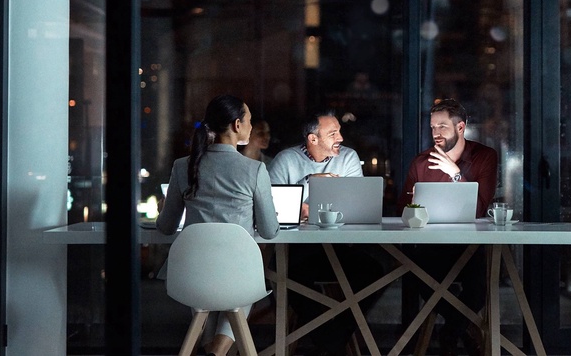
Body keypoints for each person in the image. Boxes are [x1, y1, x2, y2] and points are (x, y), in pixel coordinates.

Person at [158, 94, 278, 356]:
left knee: (206, 298)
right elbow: (270, 231)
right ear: (237, 124)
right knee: (237, 296)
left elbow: (166, 227)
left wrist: (164, 207)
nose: (250, 125)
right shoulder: (254, 170)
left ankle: (213, 350)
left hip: (190, 275)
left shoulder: (183, 166)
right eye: (249, 120)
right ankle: (218, 352)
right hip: (239, 276)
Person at [267, 109, 385, 356]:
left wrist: (309, 207)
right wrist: (310, 181)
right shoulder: (285, 161)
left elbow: (356, 205)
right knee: (285, 276)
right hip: (296, 249)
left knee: (376, 273)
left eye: (339, 131)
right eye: (333, 133)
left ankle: (330, 341)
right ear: (313, 139)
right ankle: (330, 343)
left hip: (340, 245)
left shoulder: (348, 158)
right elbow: (273, 208)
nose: (340, 138)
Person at [401, 98, 498, 356]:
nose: (436, 133)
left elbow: (480, 209)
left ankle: (450, 331)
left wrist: (456, 174)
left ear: (460, 127)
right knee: (415, 271)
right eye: (432, 127)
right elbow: (404, 209)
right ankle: (461, 329)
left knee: (480, 288)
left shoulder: (484, 157)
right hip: (431, 245)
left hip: (470, 245)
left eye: (442, 126)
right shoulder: (421, 162)